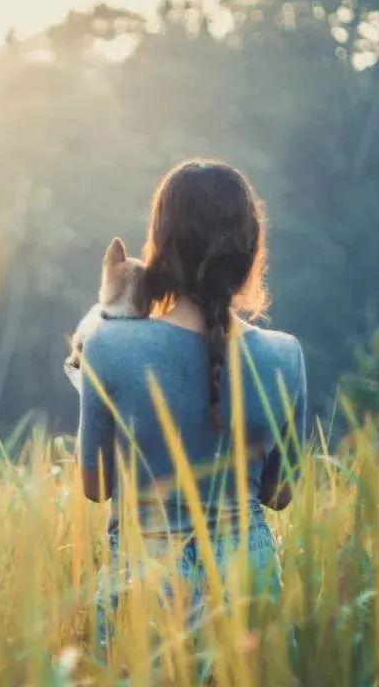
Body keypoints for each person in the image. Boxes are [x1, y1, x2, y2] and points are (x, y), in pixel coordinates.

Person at [75, 159, 309, 647]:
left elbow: (95, 486)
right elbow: (279, 495)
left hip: (144, 585)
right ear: (250, 251)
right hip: (249, 585)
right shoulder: (285, 355)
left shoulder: (109, 344)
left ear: (160, 247)